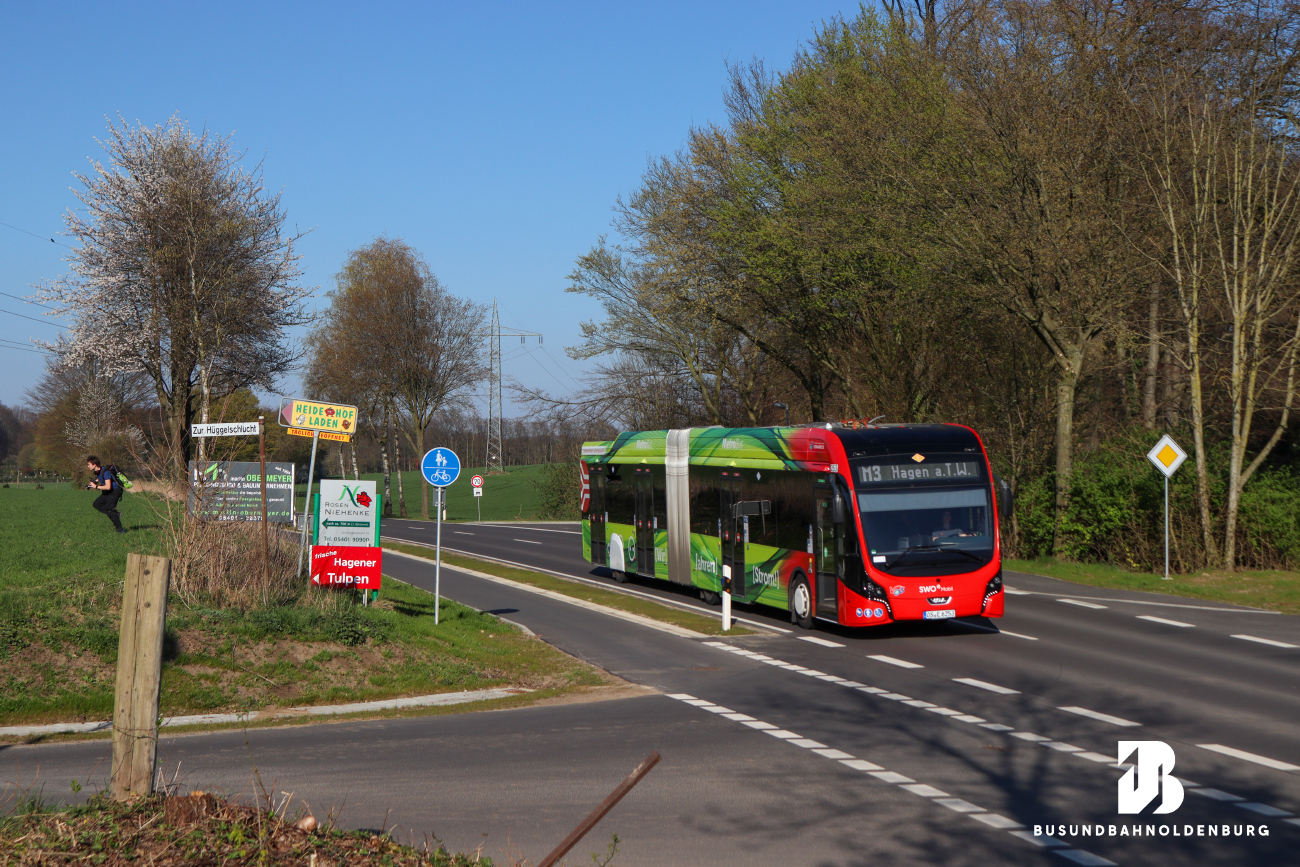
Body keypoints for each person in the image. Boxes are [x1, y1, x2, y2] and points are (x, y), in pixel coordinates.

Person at [86, 455, 126, 533]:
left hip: (115, 491)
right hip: (108, 492)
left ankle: (121, 530)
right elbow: (100, 478)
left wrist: (96, 487)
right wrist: (94, 482)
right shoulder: (98, 471)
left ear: (94, 464)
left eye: (89, 464)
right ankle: (116, 514)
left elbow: (108, 486)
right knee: (97, 504)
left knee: (109, 510)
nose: (88, 466)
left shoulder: (105, 471)